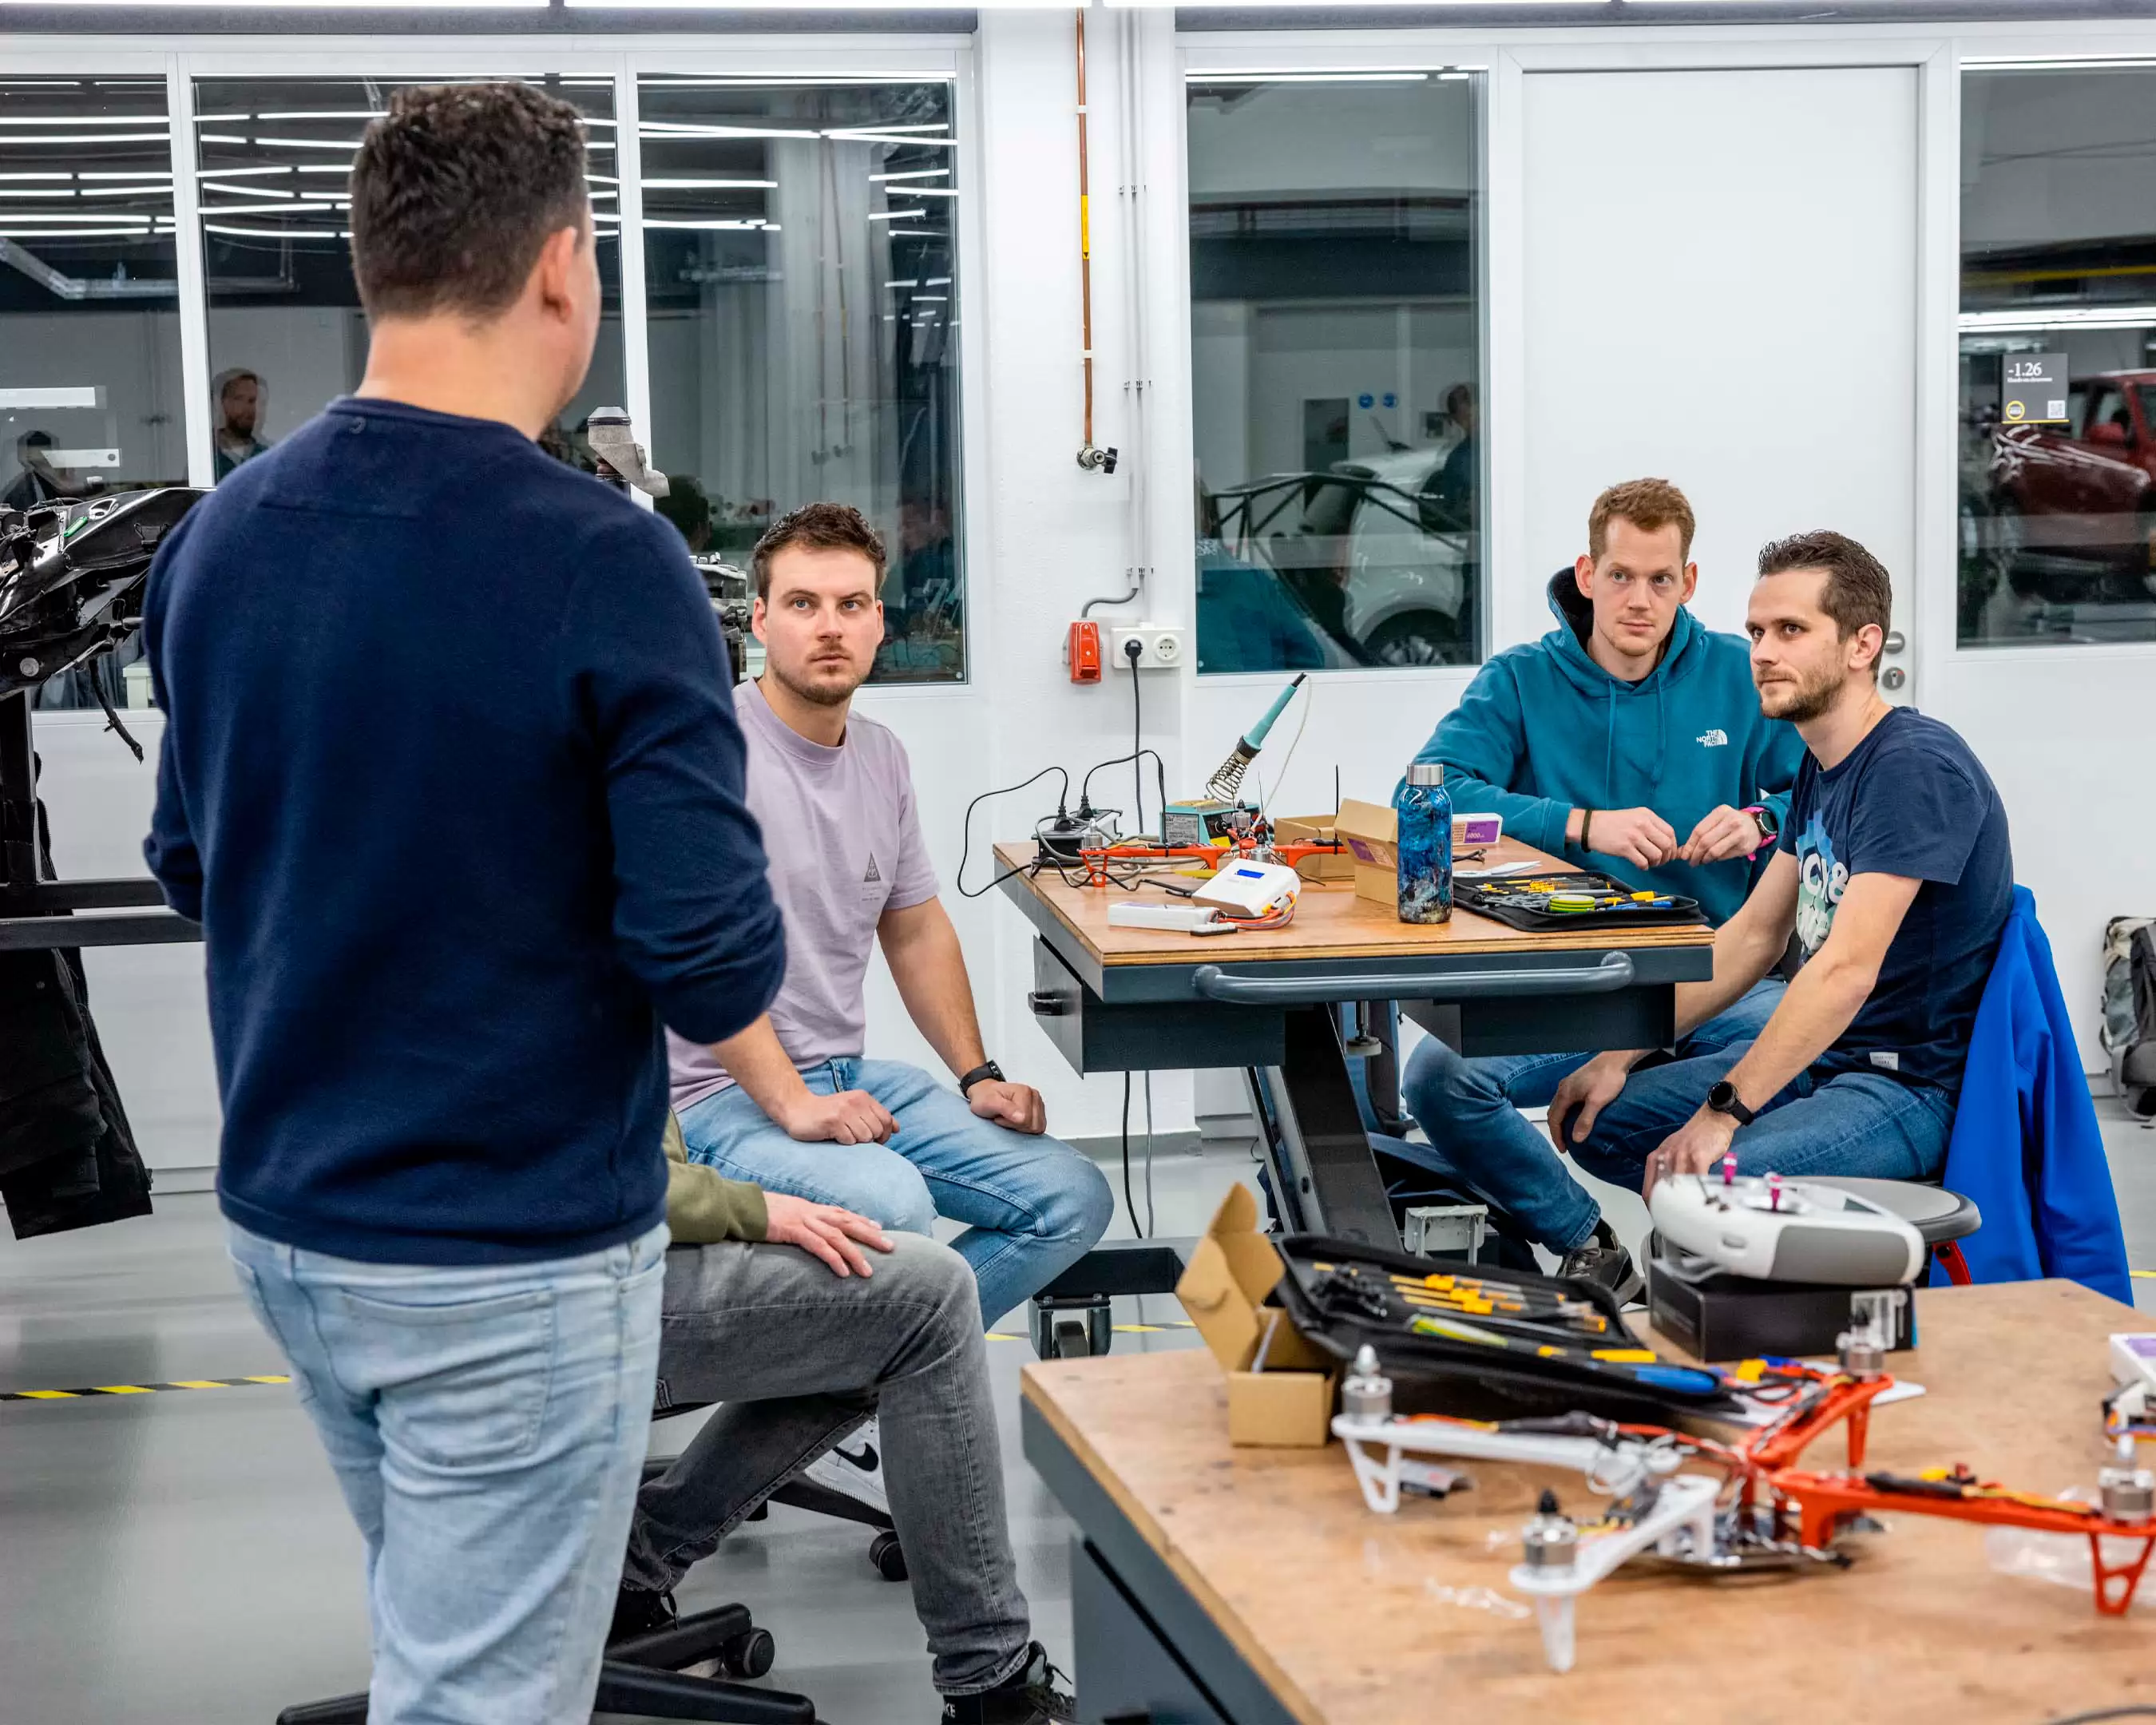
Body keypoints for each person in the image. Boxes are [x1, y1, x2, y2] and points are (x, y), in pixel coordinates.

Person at [143, 84, 788, 1725]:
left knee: (440, 1649)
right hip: (506, 1253)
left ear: (377, 265)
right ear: (564, 269)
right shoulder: (603, 558)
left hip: (292, 1222)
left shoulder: (220, 538)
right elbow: (706, 959)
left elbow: (188, 865)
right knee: (486, 1700)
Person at [670, 502, 1113, 1338]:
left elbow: (912, 925)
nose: (828, 627)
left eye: (850, 605)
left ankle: (861, 1381)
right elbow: (694, 955)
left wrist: (979, 1076)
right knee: (896, 1203)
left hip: (842, 1074)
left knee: (1070, 1197)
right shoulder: (706, 748)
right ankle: (863, 1375)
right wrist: (795, 1103)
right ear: (761, 619)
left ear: (879, 621)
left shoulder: (880, 757)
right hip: (710, 1098)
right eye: (802, 604)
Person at [1397, 478, 1805, 1297]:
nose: (1639, 600)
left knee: (1819, 1051)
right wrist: (1582, 825)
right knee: (1440, 1081)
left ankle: (1741, 1273)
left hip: (1719, 977)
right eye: (1620, 576)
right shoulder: (1519, 682)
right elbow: (1426, 794)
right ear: (1586, 574)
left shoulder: (1740, 673)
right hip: (1577, 983)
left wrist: (1760, 823)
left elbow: (1825, 790)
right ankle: (1590, 1244)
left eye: (1661, 580)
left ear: (1689, 583)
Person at [1546, 529, 2013, 1206]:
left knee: (1703, 1185)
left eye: (1790, 630)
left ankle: (1784, 1287)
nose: (1761, 653)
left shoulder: (1912, 768)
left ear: (1863, 644)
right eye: (1757, 631)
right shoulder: (1821, 766)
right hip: (1825, 1061)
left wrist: (1722, 1114)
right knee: (1603, 1122)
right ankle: (1765, 1273)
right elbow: (1752, 936)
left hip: (1905, 1086)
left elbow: (1845, 971)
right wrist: (1620, 1054)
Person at [610, 1119, 1075, 1725]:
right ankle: (993, 1682)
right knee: (926, 1303)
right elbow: (586, 1180)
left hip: (564, 1269)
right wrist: (745, 1207)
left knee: (888, 1311)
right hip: (584, 1286)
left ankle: (629, 1572)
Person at [211, 368, 269, 478]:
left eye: (261, 403)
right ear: (220, 404)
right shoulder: (203, 458)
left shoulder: (271, 457)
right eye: (241, 400)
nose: (253, 409)